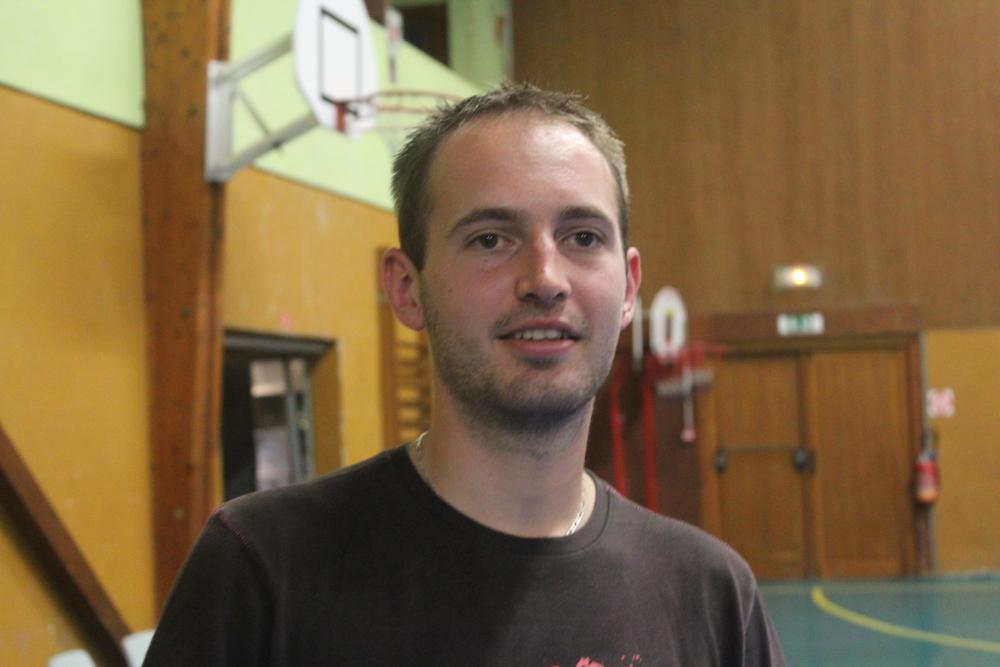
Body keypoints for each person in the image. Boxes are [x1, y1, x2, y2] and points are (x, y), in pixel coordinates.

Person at [143, 83, 785, 666]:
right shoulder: (262, 570)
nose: (545, 280)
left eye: (583, 237)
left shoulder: (713, 597)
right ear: (407, 288)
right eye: (490, 239)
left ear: (628, 289)